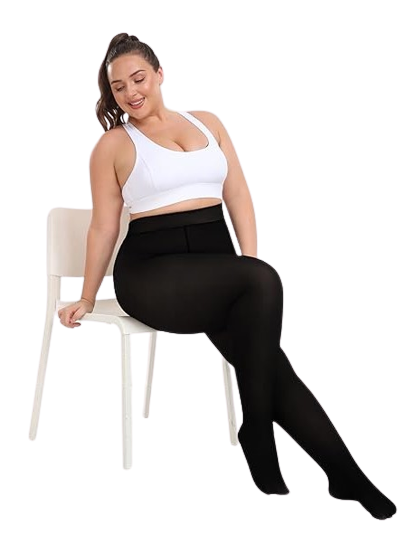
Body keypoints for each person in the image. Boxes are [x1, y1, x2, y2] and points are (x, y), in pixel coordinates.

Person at [57, 32, 396, 520]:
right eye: (118, 87)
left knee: (273, 364)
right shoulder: (111, 145)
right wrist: (87, 297)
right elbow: (104, 227)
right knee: (263, 287)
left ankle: (347, 477)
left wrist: (248, 267)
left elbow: (238, 194)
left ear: (160, 74)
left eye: (138, 78)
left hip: (218, 271)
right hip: (153, 275)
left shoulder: (208, 121)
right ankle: (257, 433)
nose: (131, 92)